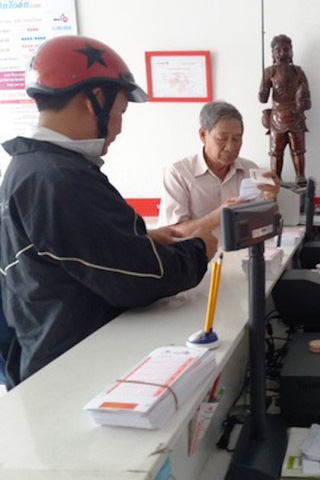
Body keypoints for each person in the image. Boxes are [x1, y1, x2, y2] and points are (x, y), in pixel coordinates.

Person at [0, 35, 218, 389]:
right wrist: (200, 249)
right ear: (96, 99)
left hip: (49, 354)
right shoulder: (60, 179)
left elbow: (70, 253)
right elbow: (140, 278)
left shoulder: (30, 168)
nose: (118, 127)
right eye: (121, 112)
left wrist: (142, 238)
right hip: (73, 374)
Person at [158, 101, 280, 236]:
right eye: (222, 138)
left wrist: (270, 198)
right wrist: (219, 215)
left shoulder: (249, 169)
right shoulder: (178, 173)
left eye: (236, 139)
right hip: (200, 250)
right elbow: (173, 233)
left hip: (243, 248)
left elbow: (264, 226)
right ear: (203, 135)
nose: (230, 147)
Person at [259, 34, 311, 185]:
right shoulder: (269, 72)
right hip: (277, 117)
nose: (282, 54)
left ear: (291, 52)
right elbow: (263, 99)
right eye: (278, 50)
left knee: (298, 150)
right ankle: (276, 179)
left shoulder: (298, 72)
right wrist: (263, 91)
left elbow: (307, 101)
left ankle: (300, 176)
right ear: (272, 54)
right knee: (276, 152)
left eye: (286, 50)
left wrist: (302, 102)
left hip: (296, 116)